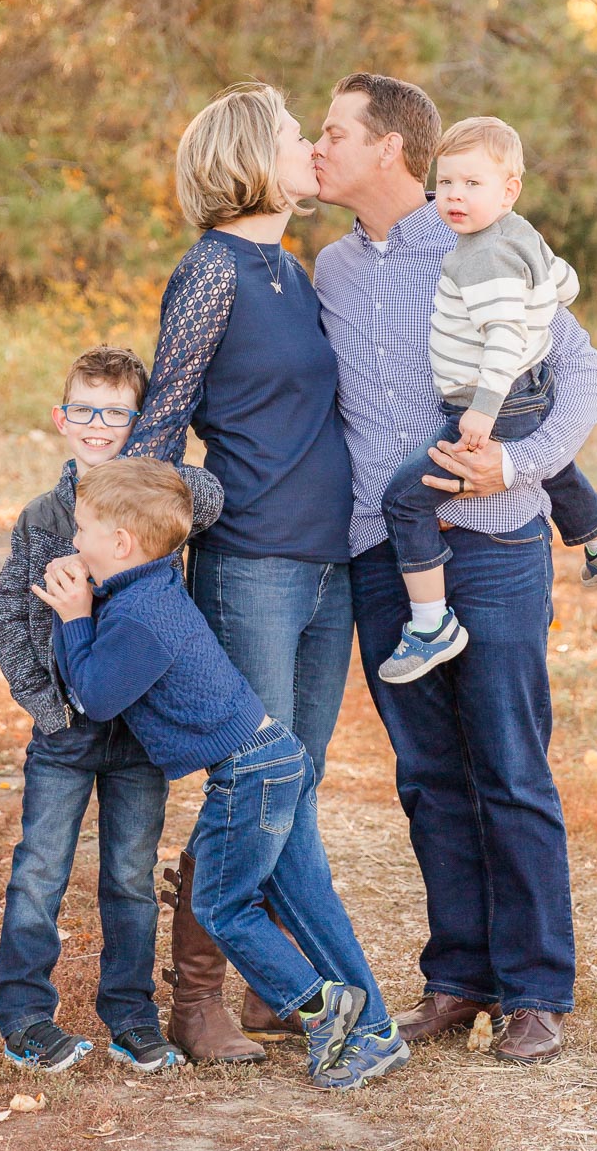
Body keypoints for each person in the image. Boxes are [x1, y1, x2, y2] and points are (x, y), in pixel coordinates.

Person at [314, 74, 597, 1065]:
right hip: (379, 549)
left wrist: (518, 463)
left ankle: (533, 992)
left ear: (387, 149)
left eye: (333, 132)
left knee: (509, 765)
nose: (319, 148)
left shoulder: (484, 244)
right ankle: (457, 979)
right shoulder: (329, 271)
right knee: (428, 774)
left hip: (494, 543)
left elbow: (580, 376)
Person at [34, 457, 410, 1092]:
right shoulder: (148, 588)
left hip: (249, 774)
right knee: (305, 896)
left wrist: (74, 616)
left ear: (121, 543)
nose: (74, 540)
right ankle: (375, 1032)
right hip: (271, 758)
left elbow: (96, 697)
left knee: (218, 903)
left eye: (83, 530)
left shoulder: (138, 615)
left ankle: (321, 1008)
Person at [120, 83, 355, 1063]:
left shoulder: (293, 271)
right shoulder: (210, 270)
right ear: (253, 158)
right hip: (251, 564)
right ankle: (198, 996)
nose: (311, 149)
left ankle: (273, 986)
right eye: (298, 137)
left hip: (328, 564)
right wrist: (154, 545)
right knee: (252, 780)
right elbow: (159, 423)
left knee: (295, 781)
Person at [0, 345, 223, 1074]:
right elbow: (6, 612)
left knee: (128, 873)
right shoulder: (44, 515)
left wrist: (147, 456)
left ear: (141, 420)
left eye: (117, 413)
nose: (99, 425)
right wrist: (44, 704)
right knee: (40, 868)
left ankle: (131, 1016)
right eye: (85, 410)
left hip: (139, 733)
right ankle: (26, 1015)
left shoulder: (161, 499)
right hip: (65, 729)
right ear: (62, 418)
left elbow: (211, 495)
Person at [378, 114, 597, 685]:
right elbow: (563, 281)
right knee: (549, 463)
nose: (454, 196)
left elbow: (503, 341)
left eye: (472, 184)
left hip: (490, 398)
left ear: (509, 190)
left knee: (402, 497)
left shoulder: (478, 257)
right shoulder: (520, 234)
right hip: (525, 392)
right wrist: (544, 301)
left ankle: (429, 622)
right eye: (446, 183)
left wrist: (483, 409)